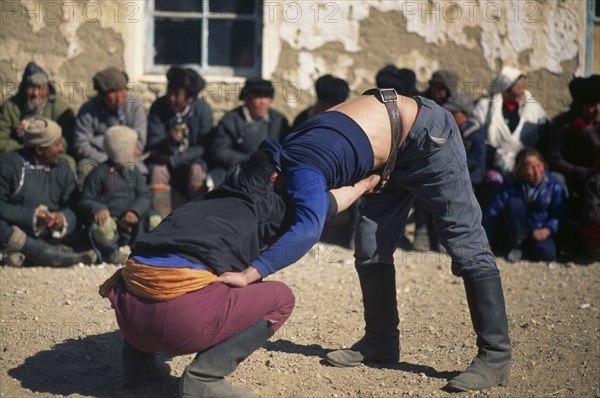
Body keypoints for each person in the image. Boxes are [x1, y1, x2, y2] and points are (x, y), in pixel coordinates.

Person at [221, 88, 512, 392]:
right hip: (388, 154)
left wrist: (252, 272)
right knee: (370, 244)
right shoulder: (288, 151)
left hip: (427, 136)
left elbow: (307, 229)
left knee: (464, 242)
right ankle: (381, 341)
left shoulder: (301, 167)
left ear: (271, 178)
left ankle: (495, 356)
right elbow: (322, 203)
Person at [97, 150, 379, 397]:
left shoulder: (199, 203)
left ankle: (137, 367)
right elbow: (325, 205)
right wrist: (366, 183)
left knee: (154, 269)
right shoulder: (264, 205)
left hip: (130, 317)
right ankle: (204, 378)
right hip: (179, 321)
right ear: (273, 180)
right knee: (280, 298)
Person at [0, 117, 96, 267]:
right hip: (18, 230)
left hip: (51, 233)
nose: (61, 149)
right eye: (56, 144)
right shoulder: (9, 164)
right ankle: (54, 257)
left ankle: (27, 254)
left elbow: (74, 205)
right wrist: (32, 215)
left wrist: (62, 219)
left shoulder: (63, 167)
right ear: (39, 149)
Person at [80, 126, 157, 264]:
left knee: (155, 219)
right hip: (113, 223)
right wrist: (97, 208)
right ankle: (110, 253)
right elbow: (85, 200)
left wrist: (135, 211)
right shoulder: (99, 173)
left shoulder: (134, 171)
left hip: (134, 224)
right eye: (134, 147)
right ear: (122, 149)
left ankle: (145, 250)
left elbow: (145, 195)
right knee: (102, 227)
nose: (138, 151)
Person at [146, 66, 214, 217]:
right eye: (170, 91)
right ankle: (160, 223)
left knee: (198, 172)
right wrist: (169, 140)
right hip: (164, 163)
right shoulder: (158, 107)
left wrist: (176, 159)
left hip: (191, 162)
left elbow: (205, 146)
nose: (171, 98)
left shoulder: (203, 111)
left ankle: (197, 221)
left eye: (177, 94)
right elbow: (152, 143)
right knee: (157, 172)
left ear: (190, 98)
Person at [484, 148, 566, 262]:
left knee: (547, 253)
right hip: (516, 232)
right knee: (515, 204)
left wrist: (547, 229)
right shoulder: (511, 183)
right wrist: (486, 240)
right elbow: (494, 212)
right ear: (520, 169)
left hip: (539, 230)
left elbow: (559, 214)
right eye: (530, 167)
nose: (536, 171)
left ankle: (528, 249)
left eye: (539, 165)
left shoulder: (554, 185)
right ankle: (516, 246)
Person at [413, 69, 460, 250]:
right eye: (437, 88)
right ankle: (422, 230)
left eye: (445, 90)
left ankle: (442, 233)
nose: (441, 94)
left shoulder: (458, 107)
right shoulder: (420, 104)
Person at [73, 67, 147, 183]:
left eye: (122, 90)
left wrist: (121, 159)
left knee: (140, 175)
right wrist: (106, 160)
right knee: (85, 170)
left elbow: (138, 145)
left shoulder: (135, 107)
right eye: (113, 92)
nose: (119, 98)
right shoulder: (88, 110)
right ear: (101, 95)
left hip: (128, 158)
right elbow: (81, 145)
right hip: (97, 159)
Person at [209, 77, 289, 183]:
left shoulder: (279, 120)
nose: (263, 102)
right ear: (246, 98)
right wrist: (251, 161)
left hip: (271, 173)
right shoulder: (230, 120)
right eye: (258, 97)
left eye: (266, 97)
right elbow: (220, 151)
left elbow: (287, 149)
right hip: (240, 172)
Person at [473, 66, 547, 174]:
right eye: (518, 87)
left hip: (526, 165)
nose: (522, 91)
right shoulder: (487, 106)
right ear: (505, 90)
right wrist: (495, 154)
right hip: (493, 163)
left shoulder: (531, 106)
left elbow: (544, 132)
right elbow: (477, 135)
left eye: (523, 86)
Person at [0, 62, 76, 159]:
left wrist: (45, 145)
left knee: (68, 162)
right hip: (19, 155)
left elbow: (68, 139)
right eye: (31, 87)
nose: (36, 93)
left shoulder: (59, 108)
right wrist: (26, 147)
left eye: (40, 87)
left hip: (51, 156)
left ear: (47, 88)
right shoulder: (10, 107)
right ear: (24, 88)